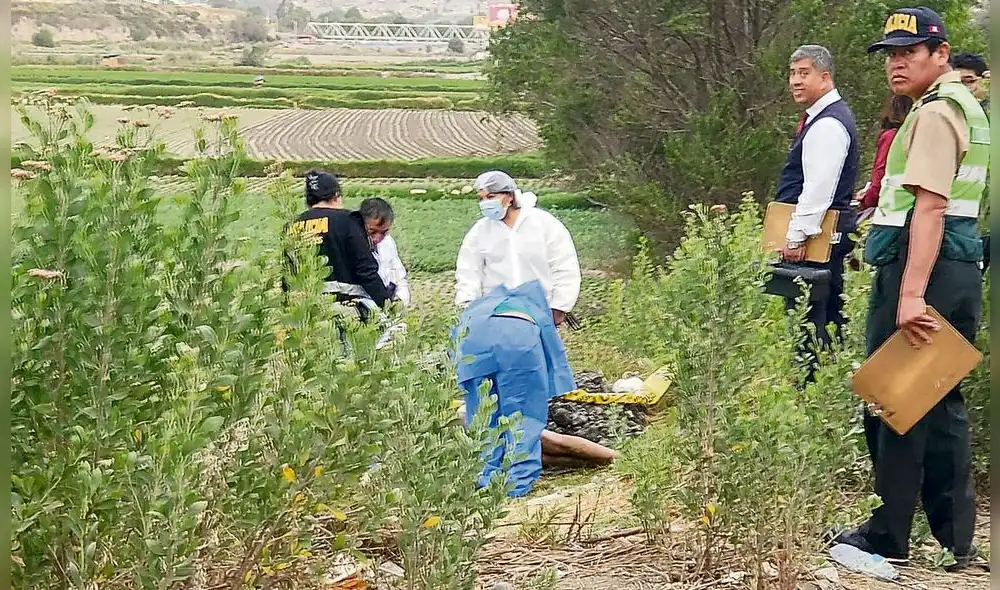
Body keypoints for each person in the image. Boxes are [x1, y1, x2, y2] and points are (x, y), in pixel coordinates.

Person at [833, 7, 989, 570]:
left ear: (940, 54)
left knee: (894, 397)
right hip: (957, 269)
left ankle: (886, 534)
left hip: (921, 269)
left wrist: (909, 294)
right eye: (891, 55)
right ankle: (954, 539)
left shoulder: (937, 112)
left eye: (909, 53)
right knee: (940, 403)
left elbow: (929, 207)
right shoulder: (965, 106)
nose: (896, 64)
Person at [773, 44, 861, 382]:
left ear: (825, 77)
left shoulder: (828, 124)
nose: (795, 81)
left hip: (817, 239)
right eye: (792, 74)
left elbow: (817, 189)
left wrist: (796, 237)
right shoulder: (825, 118)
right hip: (825, 235)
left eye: (804, 73)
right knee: (827, 316)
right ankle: (827, 386)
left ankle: (812, 389)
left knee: (809, 319)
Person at [453, 279, 586, 497]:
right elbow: (554, 358)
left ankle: (485, 479)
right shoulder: (534, 308)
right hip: (516, 337)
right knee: (522, 413)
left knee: (483, 414)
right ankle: (516, 484)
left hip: (470, 337)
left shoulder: (483, 304)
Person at [455, 170, 581, 327]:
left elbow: (564, 266)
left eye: (491, 197)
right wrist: (468, 306)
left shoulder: (543, 224)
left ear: (509, 197)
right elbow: (468, 271)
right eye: (481, 199)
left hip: (540, 313)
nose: (485, 203)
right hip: (496, 315)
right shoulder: (480, 231)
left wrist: (559, 307)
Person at [284, 170, 393, 321]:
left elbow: (287, 276)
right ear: (336, 196)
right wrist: (389, 307)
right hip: (346, 311)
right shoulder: (348, 221)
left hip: (307, 314)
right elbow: (366, 270)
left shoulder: (291, 226)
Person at [856, 93, 914, 212]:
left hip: (890, 208)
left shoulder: (890, 137)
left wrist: (867, 199)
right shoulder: (917, 135)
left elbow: (880, 173)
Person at [359, 197, 410, 307]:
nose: (377, 238)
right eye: (372, 232)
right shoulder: (355, 245)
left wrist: (400, 299)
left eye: (383, 232)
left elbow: (397, 275)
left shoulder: (388, 243)